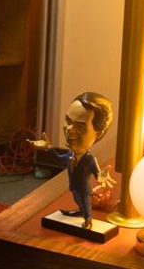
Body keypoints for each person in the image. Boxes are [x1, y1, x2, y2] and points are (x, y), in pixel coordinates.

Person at [28, 92, 116, 230]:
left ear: (97, 134)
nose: (69, 129)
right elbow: (58, 159)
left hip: (84, 190)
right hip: (74, 187)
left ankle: (87, 219)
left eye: (80, 126)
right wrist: (48, 148)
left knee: (85, 202)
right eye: (68, 121)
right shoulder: (70, 154)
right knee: (77, 199)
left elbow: (97, 174)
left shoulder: (89, 159)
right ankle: (80, 212)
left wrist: (100, 176)